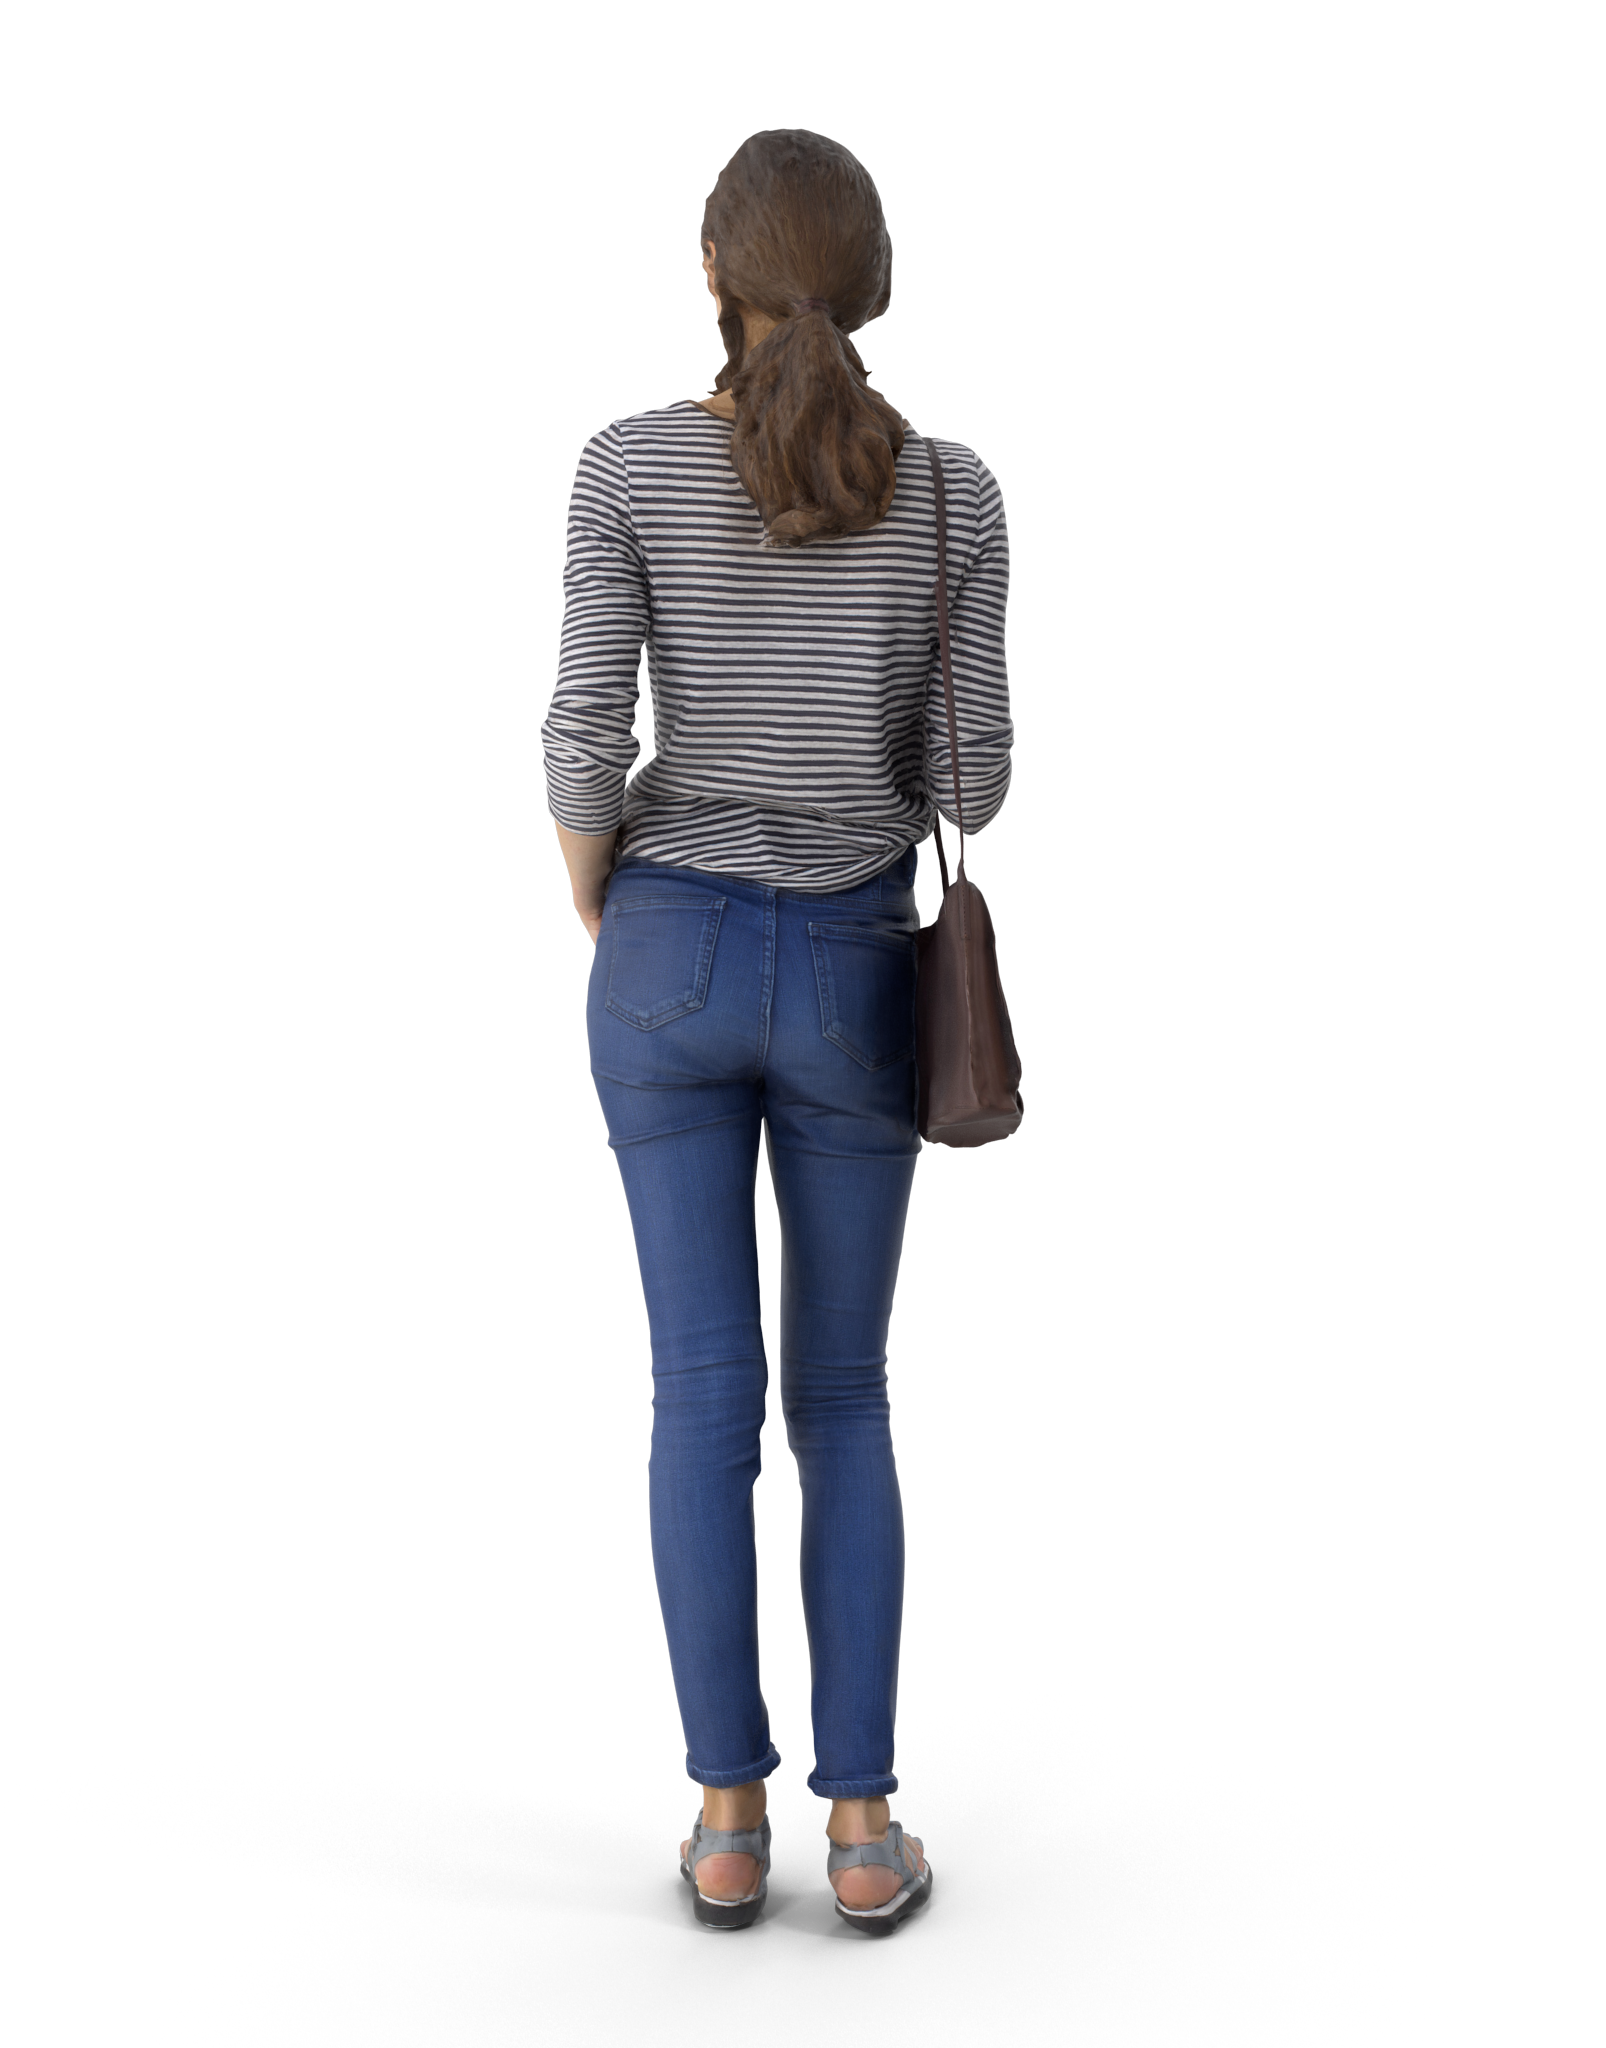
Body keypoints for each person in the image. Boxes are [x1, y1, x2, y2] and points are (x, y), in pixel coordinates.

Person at [539, 128, 1014, 1931]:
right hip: (853, 973)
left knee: (699, 1396)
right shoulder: (954, 492)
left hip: (661, 952)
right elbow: (978, 780)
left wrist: (617, 907)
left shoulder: (627, 465)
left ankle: (727, 1821)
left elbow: (582, 737)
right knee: (845, 1396)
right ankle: (865, 1831)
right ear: (874, 281)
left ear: (710, 270)